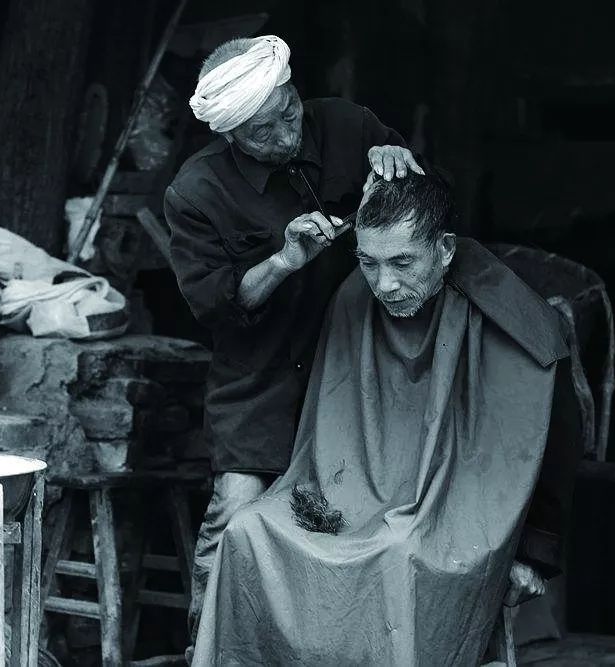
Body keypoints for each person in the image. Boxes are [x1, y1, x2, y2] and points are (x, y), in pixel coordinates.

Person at [190, 171, 584, 665]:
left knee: (400, 552)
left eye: (402, 262)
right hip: (351, 494)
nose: (385, 284)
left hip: (454, 513)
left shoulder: (512, 315)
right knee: (249, 529)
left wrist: (535, 553)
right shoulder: (355, 295)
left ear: (444, 249)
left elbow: (550, 434)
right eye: (368, 263)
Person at [164, 34, 422, 643]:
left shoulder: (348, 126)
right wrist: (282, 262)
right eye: (264, 132)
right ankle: (209, 652)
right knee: (236, 519)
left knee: (365, 521)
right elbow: (215, 308)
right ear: (232, 135)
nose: (286, 135)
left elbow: (424, 211)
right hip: (261, 384)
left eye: (289, 113)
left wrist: (399, 163)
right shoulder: (196, 193)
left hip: (364, 372)